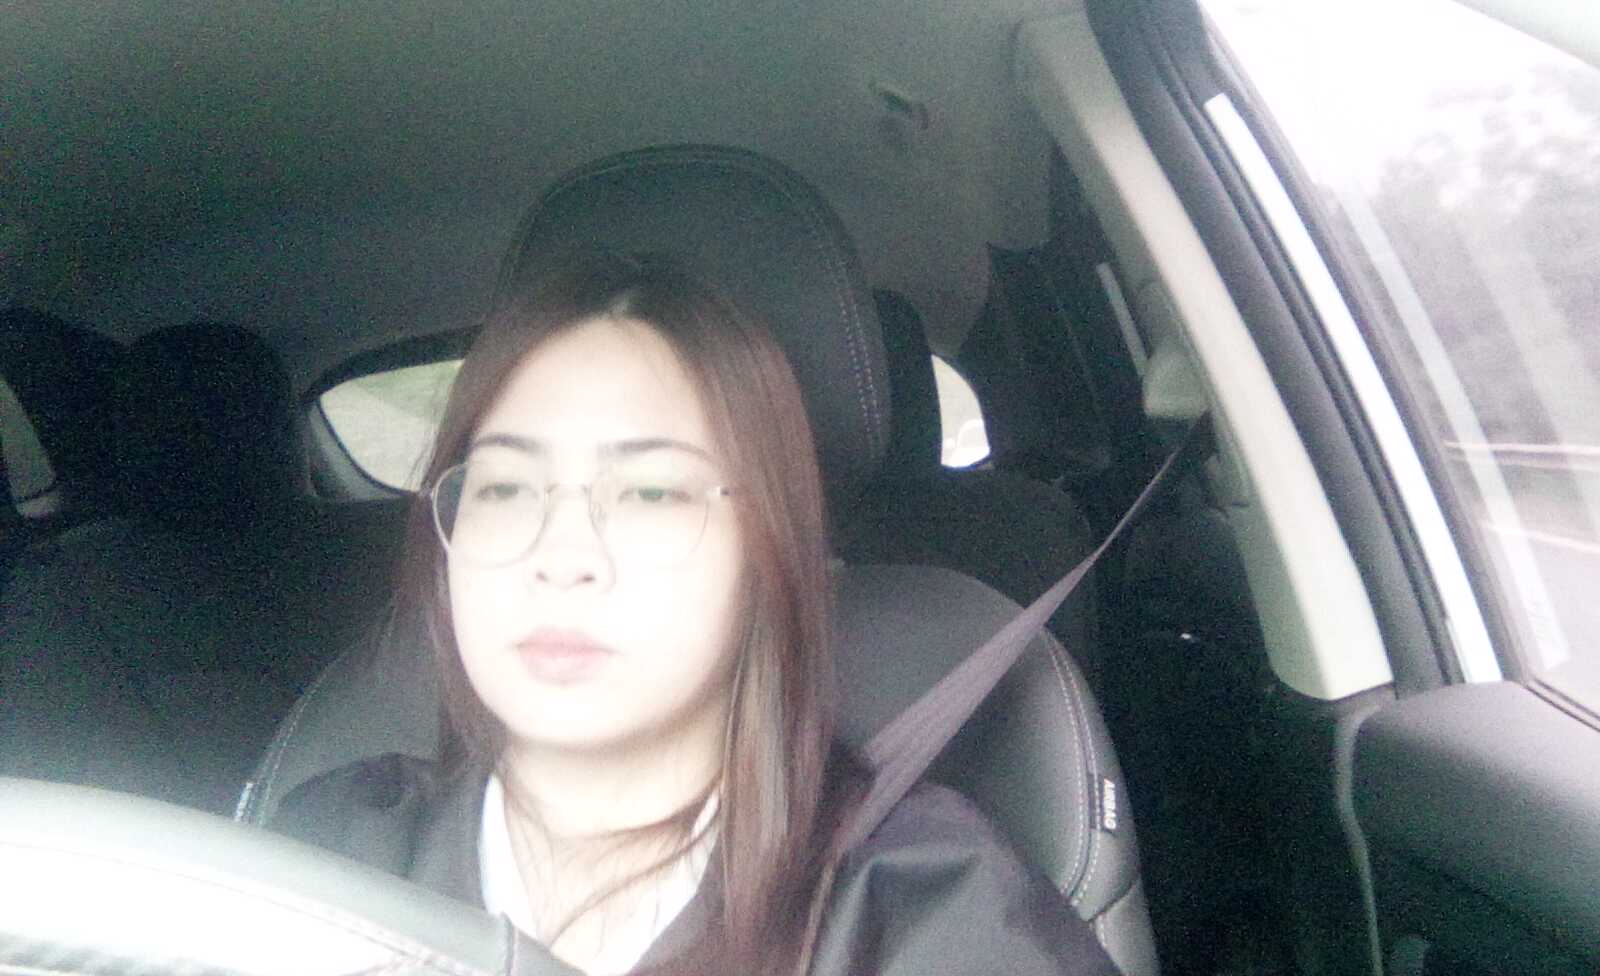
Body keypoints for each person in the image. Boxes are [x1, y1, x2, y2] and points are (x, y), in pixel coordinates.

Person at [269, 254, 1119, 976]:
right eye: (506, 487)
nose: (562, 556)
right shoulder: (325, 852)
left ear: (767, 552)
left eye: (650, 492)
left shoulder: (924, 910)